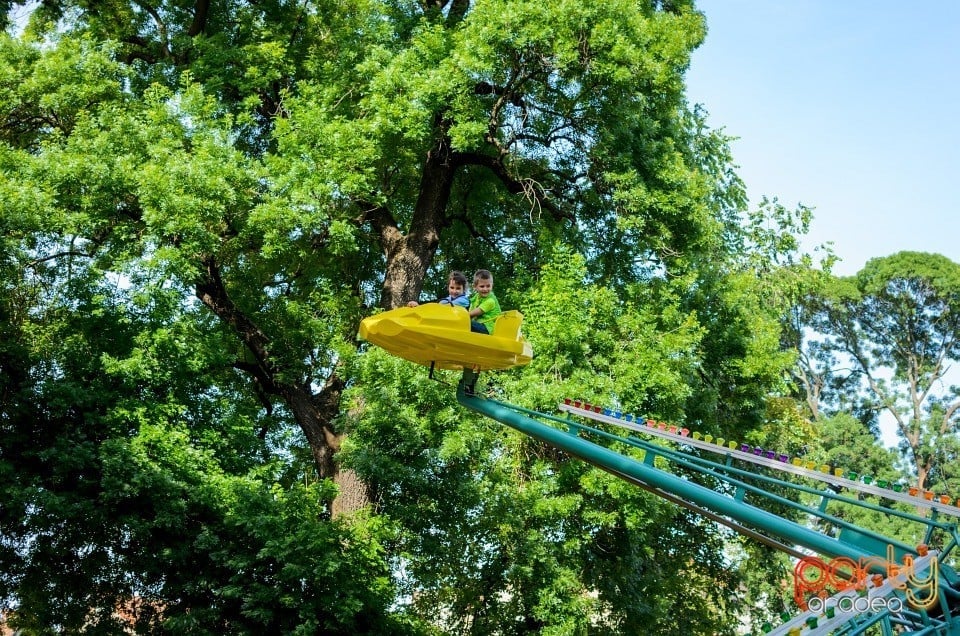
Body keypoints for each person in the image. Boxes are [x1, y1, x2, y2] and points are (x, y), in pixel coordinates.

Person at [468, 269, 501, 334]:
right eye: (482, 286)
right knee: (466, 323)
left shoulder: (490, 301)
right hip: (479, 323)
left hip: (488, 327)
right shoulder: (475, 298)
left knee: (465, 323)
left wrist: (460, 316)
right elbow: (470, 311)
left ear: (492, 286)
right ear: (475, 287)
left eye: (488, 286)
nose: (485, 289)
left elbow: (472, 313)